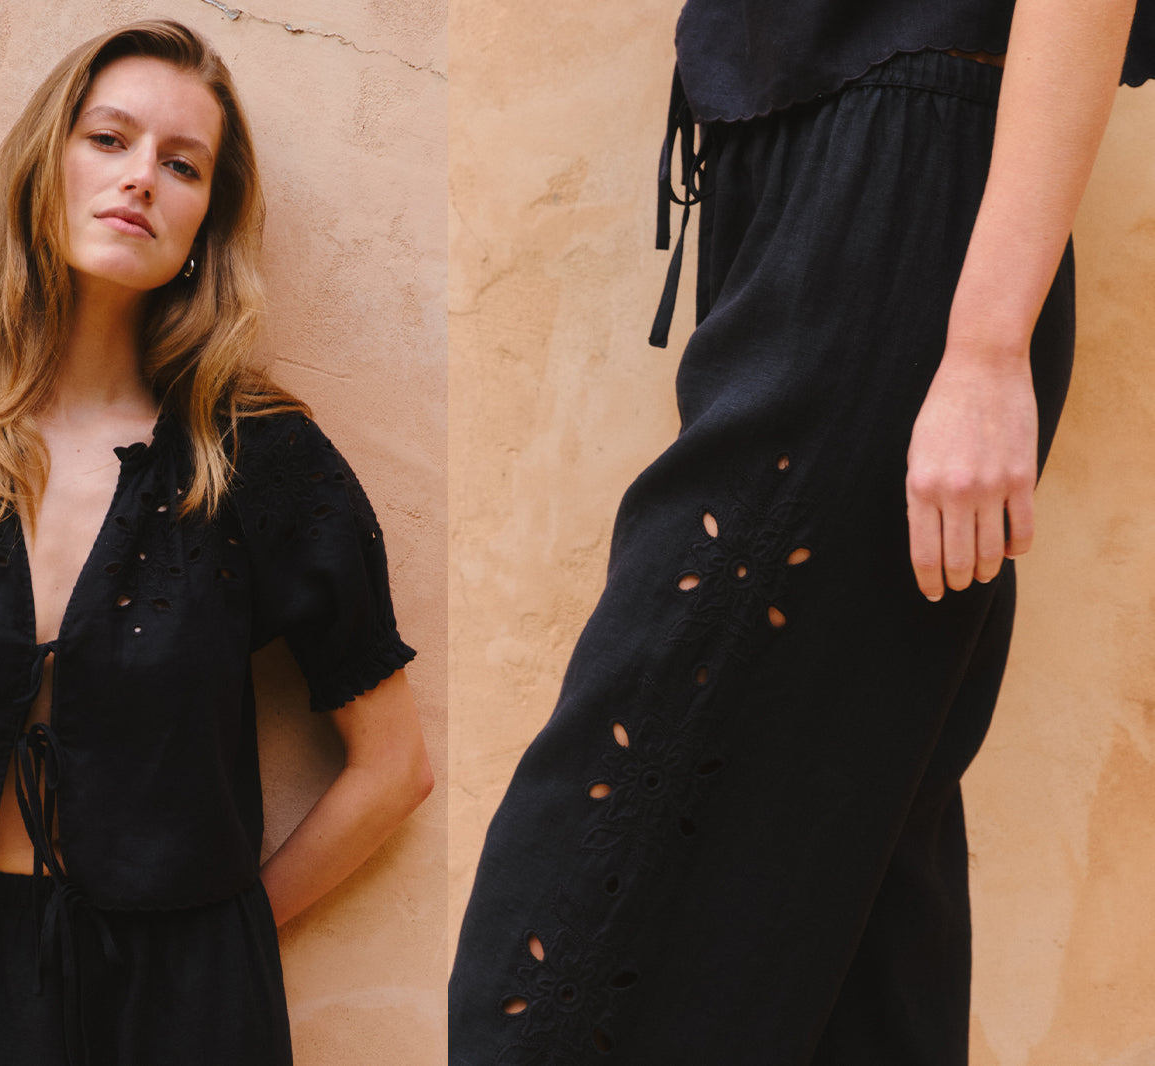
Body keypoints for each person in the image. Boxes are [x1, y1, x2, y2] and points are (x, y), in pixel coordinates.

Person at [450, 1, 1151, 1063]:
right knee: (855, 915)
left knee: (563, 945)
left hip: (903, 190)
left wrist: (985, 345)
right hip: (776, 175)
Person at [0, 19, 432, 1066]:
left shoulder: (260, 464)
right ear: (44, 164)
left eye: (182, 164)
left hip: (199, 990)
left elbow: (393, 767)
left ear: (207, 218)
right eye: (108, 139)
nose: (141, 181)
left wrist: (227, 939)